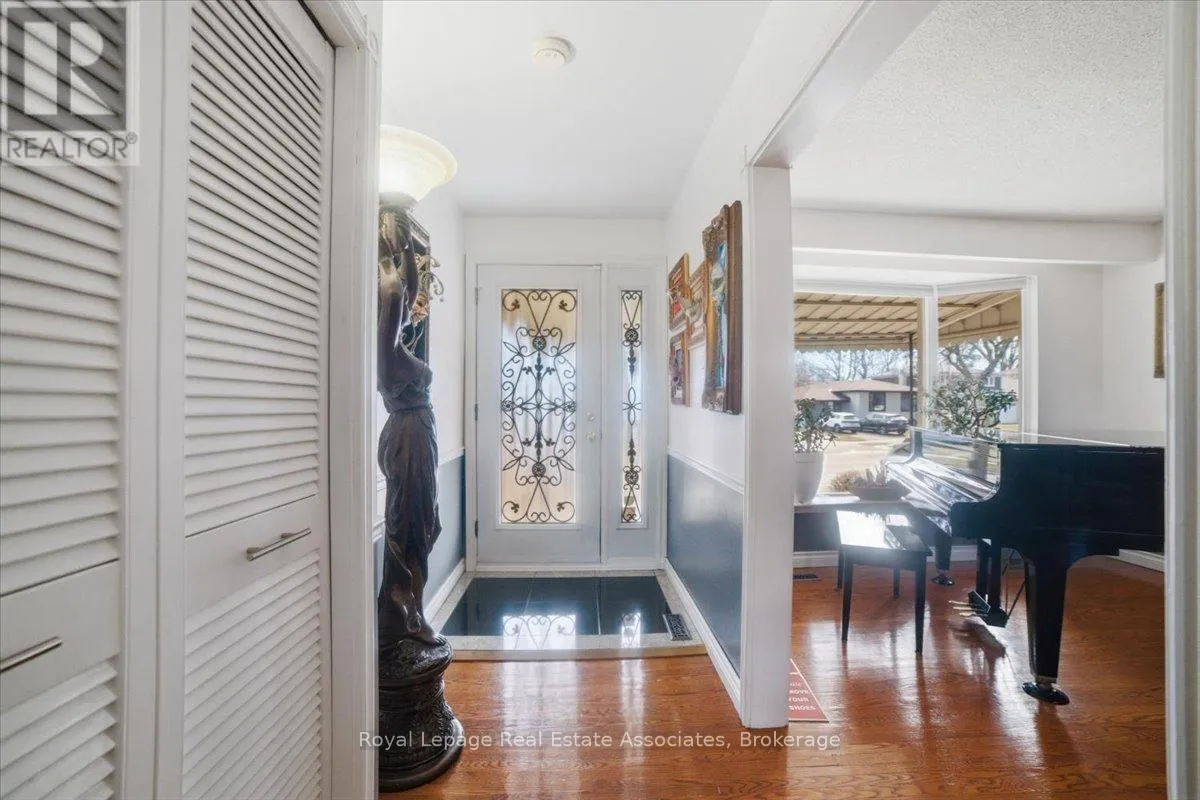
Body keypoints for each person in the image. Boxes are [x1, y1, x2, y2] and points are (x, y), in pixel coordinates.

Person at [376, 213, 442, 649]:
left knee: (420, 523)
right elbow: (396, 292)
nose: (412, 310)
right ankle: (407, 616)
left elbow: (408, 291)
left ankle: (407, 611)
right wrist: (388, 253)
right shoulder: (387, 354)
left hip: (414, 437)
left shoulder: (397, 339)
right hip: (408, 442)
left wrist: (403, 250)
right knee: (411, 528)